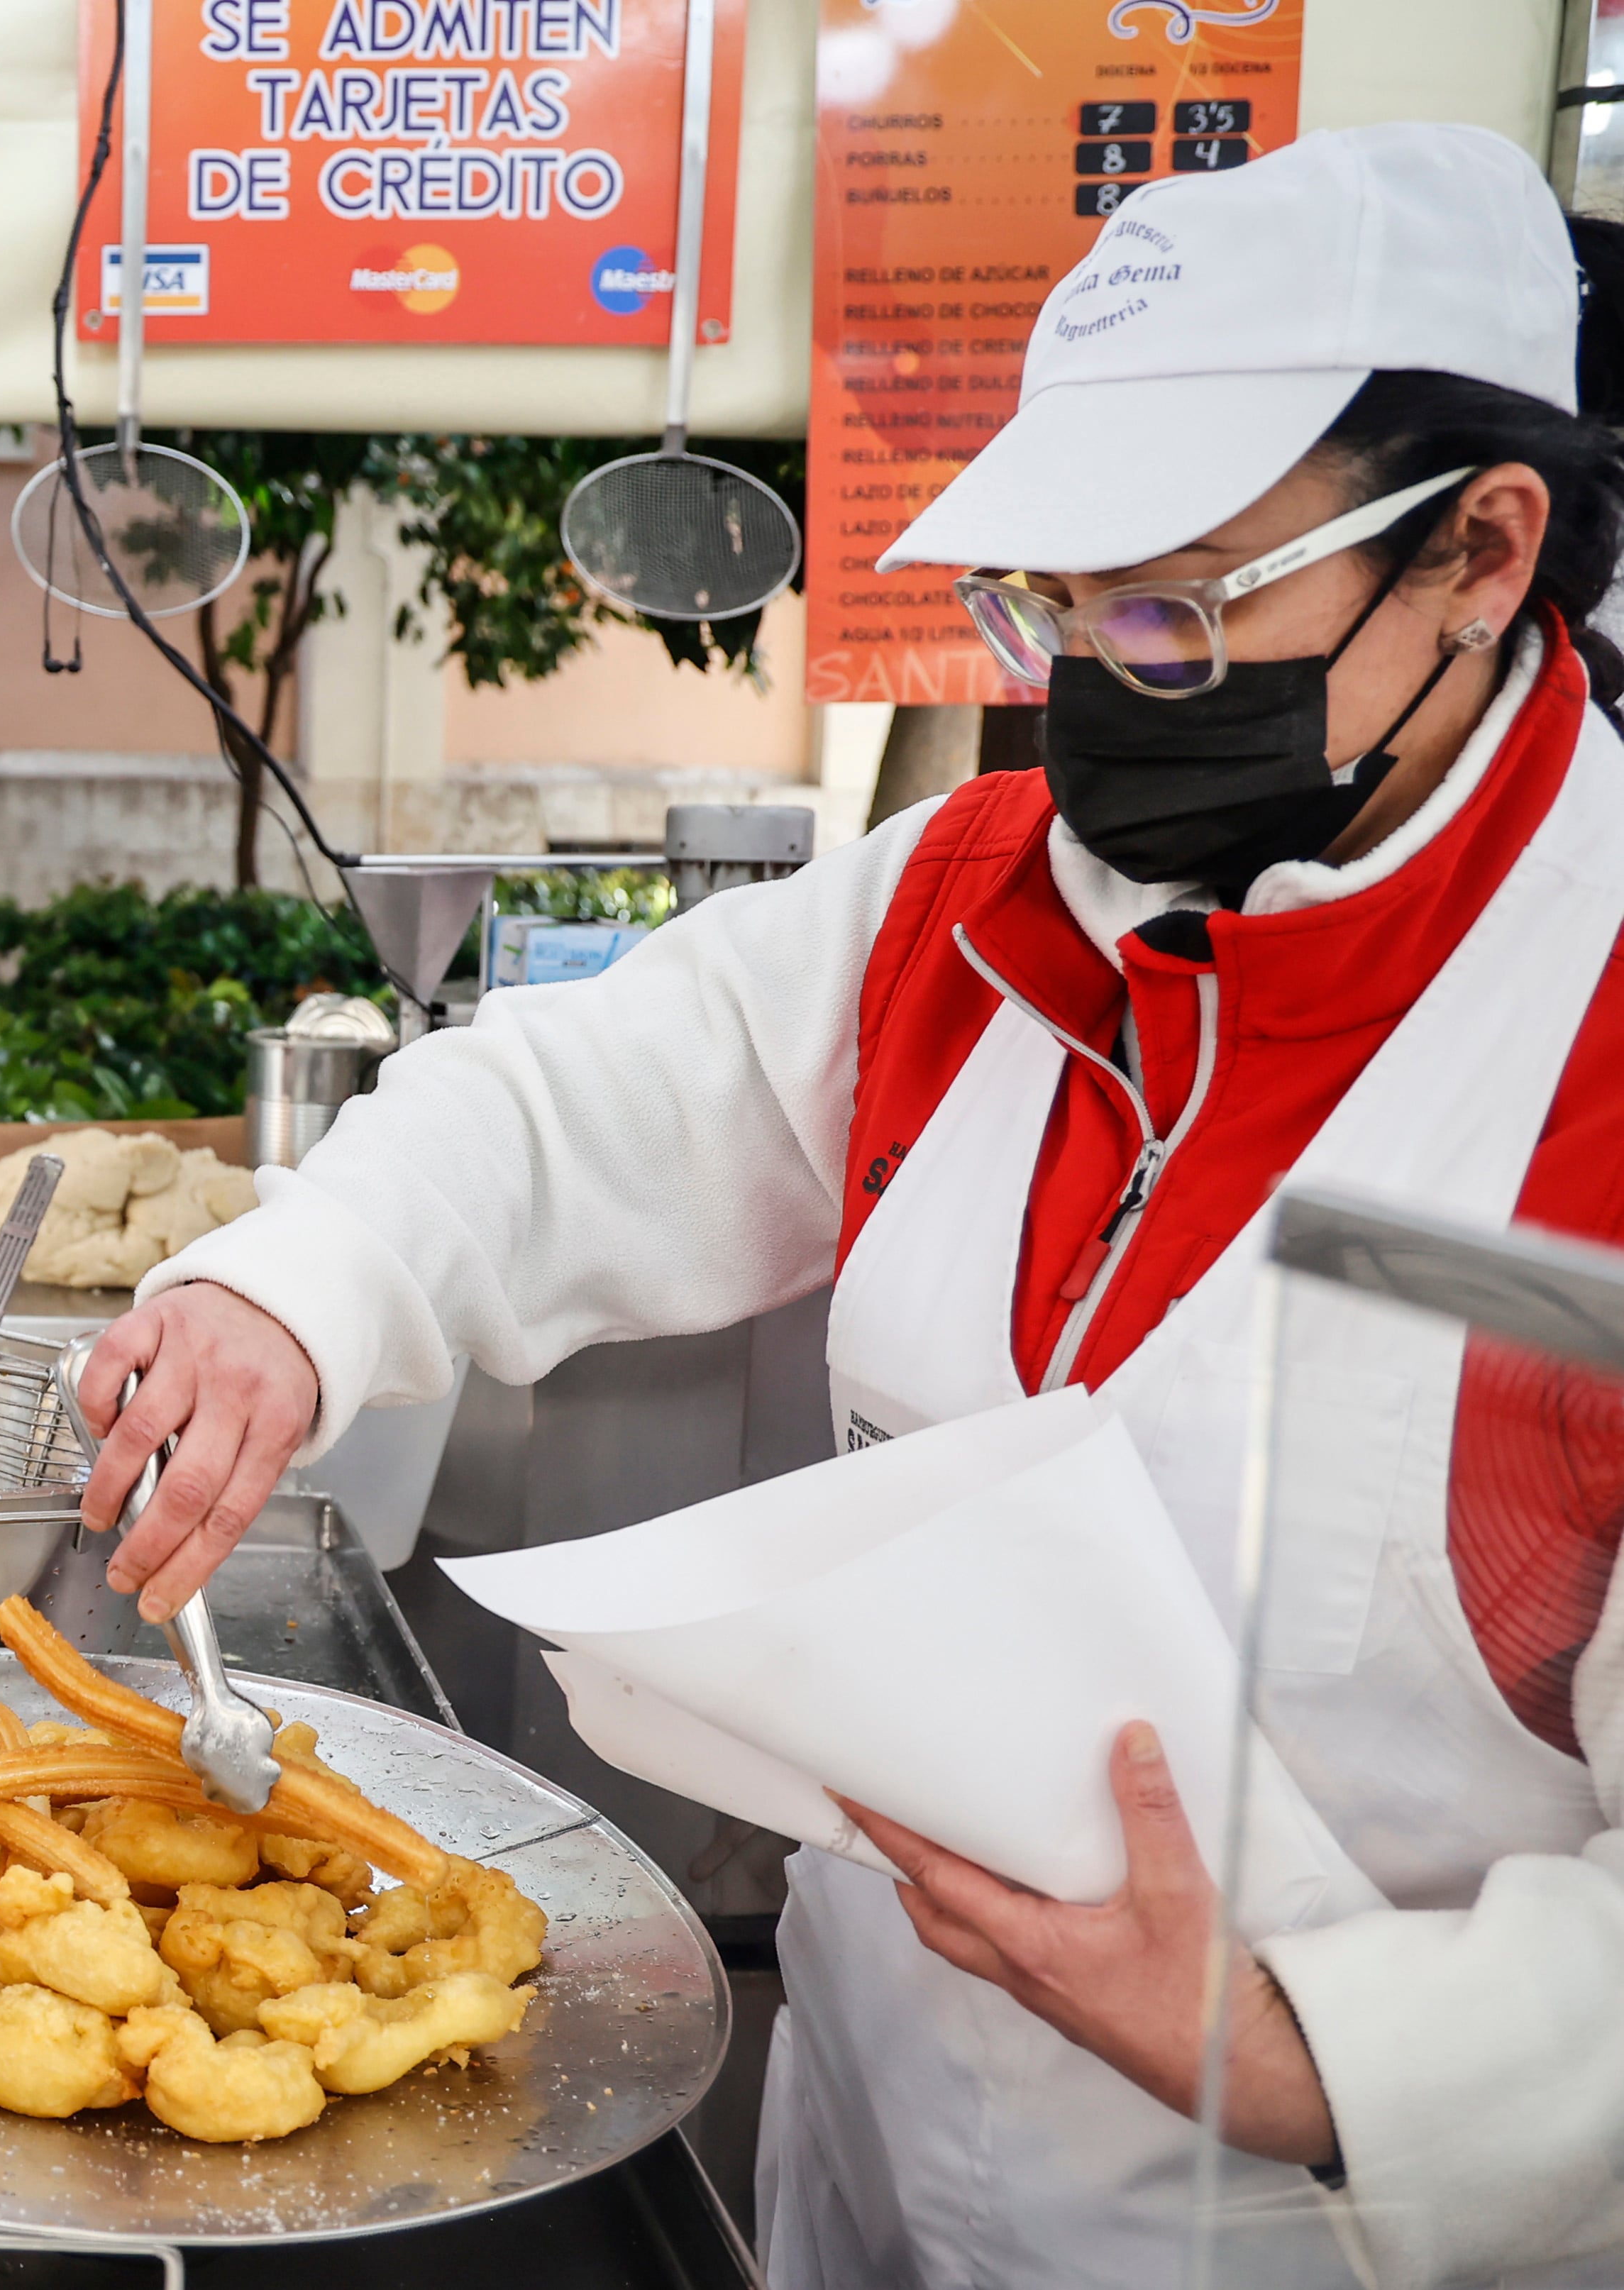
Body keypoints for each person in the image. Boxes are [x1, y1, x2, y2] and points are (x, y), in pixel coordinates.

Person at [79, 123, 1624, 2289]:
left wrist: (1327, 2055)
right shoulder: (967, 900)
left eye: (1171, 611)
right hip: (875, 2140)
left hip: (1330, 2224)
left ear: (1476, 548)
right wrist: (296, 1287)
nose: (1095, 677)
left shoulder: (1591, 1046)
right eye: (1051, 607)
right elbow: (569, 1106)